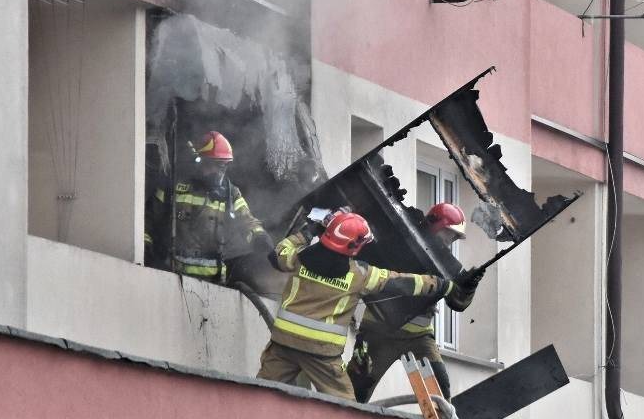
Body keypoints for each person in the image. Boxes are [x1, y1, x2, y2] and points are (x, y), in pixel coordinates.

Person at [257, 209, 475, 400]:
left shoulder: (299, 259)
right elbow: (402, 282)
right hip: (320, 354)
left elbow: (277, 254)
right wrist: (441, 285)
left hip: (282, 344)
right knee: (347, 410)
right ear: (352, 247)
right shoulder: (358, 275)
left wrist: (307, 232)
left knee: (258, 393)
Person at [349, 203, 485, 402]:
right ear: (437, 226)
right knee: (356, 393)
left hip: (419, 338)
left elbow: (458, 304)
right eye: (449, 234)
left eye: (455, 237)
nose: (451, 241)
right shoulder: (399, 242)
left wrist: (469, 287)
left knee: (441, 391)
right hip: (379, 333)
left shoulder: (449, 264)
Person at [144, 131, 273, 284]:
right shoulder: (173, 188)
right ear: (199, 161)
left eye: (223, 166)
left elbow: (247, 221)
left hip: (215, 283)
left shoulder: (230, 193)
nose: (219, 172)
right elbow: (147, 221)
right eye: (214, 165)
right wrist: (146, 251)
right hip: (173, 278)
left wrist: (259, 237)